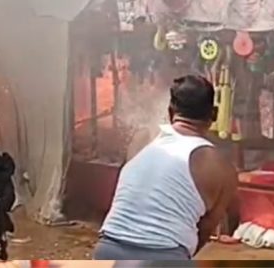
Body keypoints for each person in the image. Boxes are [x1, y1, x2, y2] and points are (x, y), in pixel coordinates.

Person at [93, 75, 239, 261]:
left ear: (170, 113)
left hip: (107, 250)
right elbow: (206, 229)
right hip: (164, 255)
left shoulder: (142, 143)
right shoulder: (221, 168)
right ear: (214, 115)